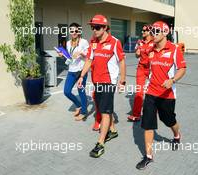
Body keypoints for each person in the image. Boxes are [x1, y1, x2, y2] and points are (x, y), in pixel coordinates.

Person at [136, 21, 187, 170]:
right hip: (151, 92)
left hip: (167, 94)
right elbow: (144, 65)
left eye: (157, 31)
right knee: (147, 124)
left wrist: (172, 80)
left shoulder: (174, 49)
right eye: (152, 31)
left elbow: (182, 68)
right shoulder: (150, 49)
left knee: (168, 120)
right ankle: (149, 156)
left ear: (165, 32)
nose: (153, 33)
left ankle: (177, 135)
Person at [77, 14, 126, 158]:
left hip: (108, 82)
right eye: (92, 27)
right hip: (96, 81)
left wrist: (122, 81)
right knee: (104, 107)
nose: (94, 30)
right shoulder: (93, 42)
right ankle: (113, 131)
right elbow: (89, 60)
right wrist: (81, 76)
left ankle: (100, 143)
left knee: (104, 112)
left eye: (97, 27)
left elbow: (122, 61)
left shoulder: (115, 42)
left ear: (105, 28)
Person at [58, 23, 89, 121]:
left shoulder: (84, 42)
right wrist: (62, 54)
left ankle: (84, 112)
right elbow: (69, 57)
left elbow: (89, 57)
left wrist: (81, 53)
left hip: (81, 71)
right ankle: (78, 105)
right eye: (72, 31)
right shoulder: (68, 43)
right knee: (66, 91)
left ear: (79, 31)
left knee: (81, 91)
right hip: (71, 70)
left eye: (76, 31)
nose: (74, 33)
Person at [128, 24, 154, 122]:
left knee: (152, 92)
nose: (142, 32)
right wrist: (137, 54)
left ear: (149, 31)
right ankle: (136, 114)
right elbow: (136, 56)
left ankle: (153, 112)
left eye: (144, 31)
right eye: (142, 31)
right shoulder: (140, 42)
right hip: (141, 68)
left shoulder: (155, 42)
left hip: (152, 69)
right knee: (139, 91)